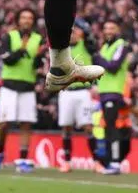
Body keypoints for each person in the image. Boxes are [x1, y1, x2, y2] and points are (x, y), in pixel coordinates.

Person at [0, 8, 44, 174]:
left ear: (33, 21)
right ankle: (0, 153)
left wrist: (38, 58)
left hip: (28, 87)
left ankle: (22, 159)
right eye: (23, 17)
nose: (26, 21)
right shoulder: (9, 36)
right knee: (4, 124)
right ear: (18, 20)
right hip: (9, 86)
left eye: (29, 18)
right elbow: (7, 60)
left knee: (26, 124)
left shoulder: (38, 39)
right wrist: (21, 50)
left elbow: (38, 65)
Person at [57, 22, 97, 172]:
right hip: (67, 91)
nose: (72, 34)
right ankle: (67, 162)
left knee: (88, 127)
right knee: (66, 127)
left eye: (74, 31)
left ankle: (96, 161)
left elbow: (88, 33)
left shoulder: (85, 45)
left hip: (83, 91)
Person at [93, 20, 132, 174]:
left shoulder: (121, 44)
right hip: (104, 92)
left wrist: (97, 58)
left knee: (111, 125)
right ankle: (111, 162)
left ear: (117, 29)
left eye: (112, 28)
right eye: (106, 28)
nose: (108, 31)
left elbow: (113, 66)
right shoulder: (104, 46)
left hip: (114, 92)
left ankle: (115, 162)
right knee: (108, 126)